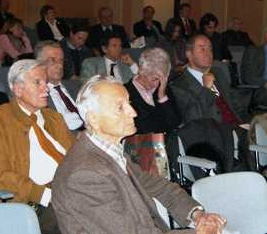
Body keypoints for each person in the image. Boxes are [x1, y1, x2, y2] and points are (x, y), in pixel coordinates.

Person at [52, 75, 227, 234]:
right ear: (93, 119)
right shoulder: (85, 175)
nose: (133, 113)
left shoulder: (108, 152)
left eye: (129, 103)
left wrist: (197, 215)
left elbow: (158, 185)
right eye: (121, 107)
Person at [0, 60, 74, 234]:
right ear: (17, 88)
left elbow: (75, 157)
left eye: (46, 82)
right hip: (32, 202)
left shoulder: (54, 118)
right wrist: (43, 194)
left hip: (69, 189)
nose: (47, 88)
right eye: (38, 82)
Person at [170, 34, 245, 126]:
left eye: (210, 49)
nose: (208, 53)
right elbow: (193, 118)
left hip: (238, 127)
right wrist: (206, 90)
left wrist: (247, 123)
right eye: (202, 49)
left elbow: (235, 103)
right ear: (189, 54)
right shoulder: (179, 85)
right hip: (213, 133)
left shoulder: (218, 73)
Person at [125, 47, 181, 134]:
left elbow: (176, 122)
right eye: (154, 79)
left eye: (162, 79)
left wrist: (162, 97)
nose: (157, 84)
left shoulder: (163, 87)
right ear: (141, 71)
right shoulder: (125, 93)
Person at [35, 41, 84, 132]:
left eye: (61, 60)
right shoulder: (35, 95)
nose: (59, 65)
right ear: (38, 64)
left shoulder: (77, 85)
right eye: (52, 60)